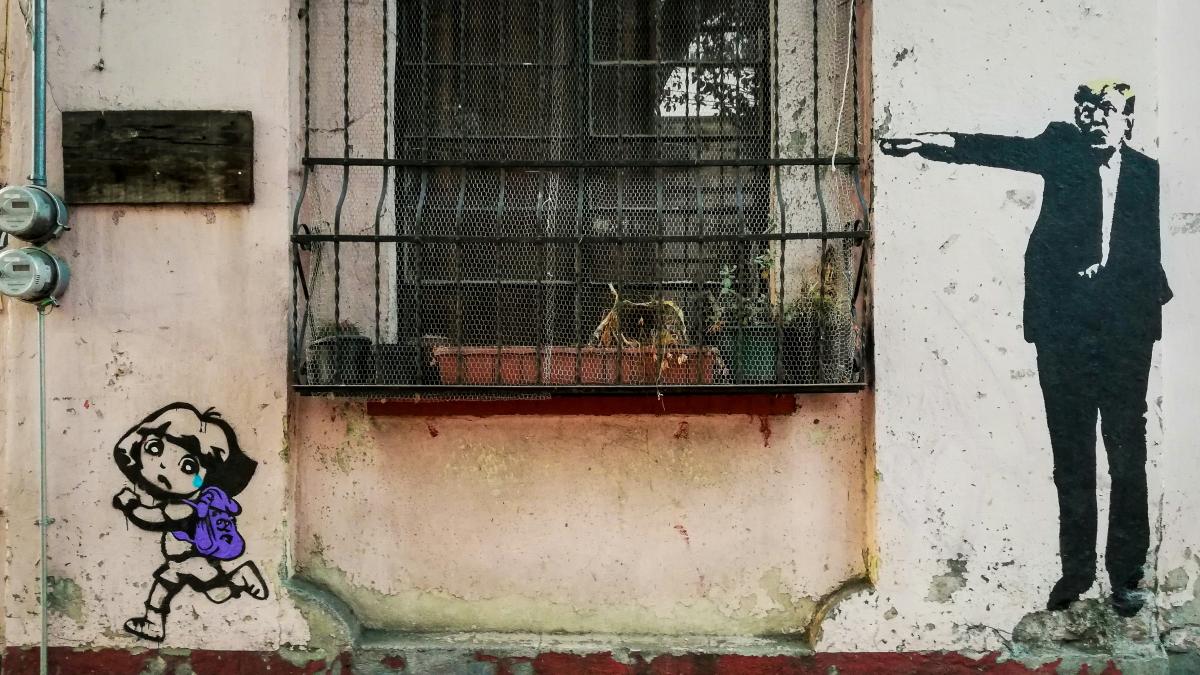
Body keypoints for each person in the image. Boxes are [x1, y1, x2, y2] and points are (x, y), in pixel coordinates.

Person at [880, 81, 1171, 617]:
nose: (1096, 119)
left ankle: (1126, 575)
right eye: (1087, 109)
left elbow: (1147, 254)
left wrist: (1111, 279)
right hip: (1062, 332)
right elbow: (991, 148)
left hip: (1124, 336)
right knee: (1072, 455)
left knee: (1127, 454)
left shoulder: (1149, 173)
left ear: (1128, 119)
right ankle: (1076, 572)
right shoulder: (1060, 150)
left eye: (1108, 110)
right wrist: (927, 140)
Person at [112, 403, 269, 641]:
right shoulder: (183, 501)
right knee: (162, 587)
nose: (164, 465)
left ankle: (241, 577)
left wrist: (129, 505)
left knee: (218, 594)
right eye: (155, 448)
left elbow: (151, 518)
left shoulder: (183, 507)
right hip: (179, 561)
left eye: (188, 466)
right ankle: (154, 624)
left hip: (191, 561)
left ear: (206, 478)